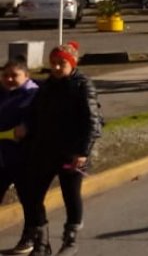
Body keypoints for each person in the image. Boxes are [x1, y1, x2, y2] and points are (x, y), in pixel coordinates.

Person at [19, 42, 103, 256]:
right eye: (53, 63)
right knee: (31, 195)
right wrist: (28, 129)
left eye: (61, 64)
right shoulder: (46, 86)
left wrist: (83, 152)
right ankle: (41, 241)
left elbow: (93, 122)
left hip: (72, 152)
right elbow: (36, 115)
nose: (56, 68)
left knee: (70, 195)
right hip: (45, 150)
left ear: (72, 63)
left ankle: (70, 239)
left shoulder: (82, 85)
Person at [0, 58, 38, 255]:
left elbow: (41, 118)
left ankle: (30, 238)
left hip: (25, 157)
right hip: (3, 156)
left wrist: (27, 126)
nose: (9, 79)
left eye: (14, 75)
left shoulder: (34, 95)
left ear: (26, 76)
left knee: (29, 199)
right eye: (5, 75)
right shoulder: (2, 93)